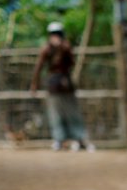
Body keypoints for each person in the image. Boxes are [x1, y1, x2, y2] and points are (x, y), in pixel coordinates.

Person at [29, 22, 95, 152]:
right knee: (55, 114)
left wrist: (61, 49)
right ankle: (59, 140)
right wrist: (34, 83)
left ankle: (79, 139)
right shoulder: (46, 49)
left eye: (57, 34)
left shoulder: (66, 46)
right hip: (53, 86)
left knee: (73, 113)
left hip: (67, 86)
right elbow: (39, 66)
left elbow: (71, 62)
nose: (55, 36)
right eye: (53, 34)